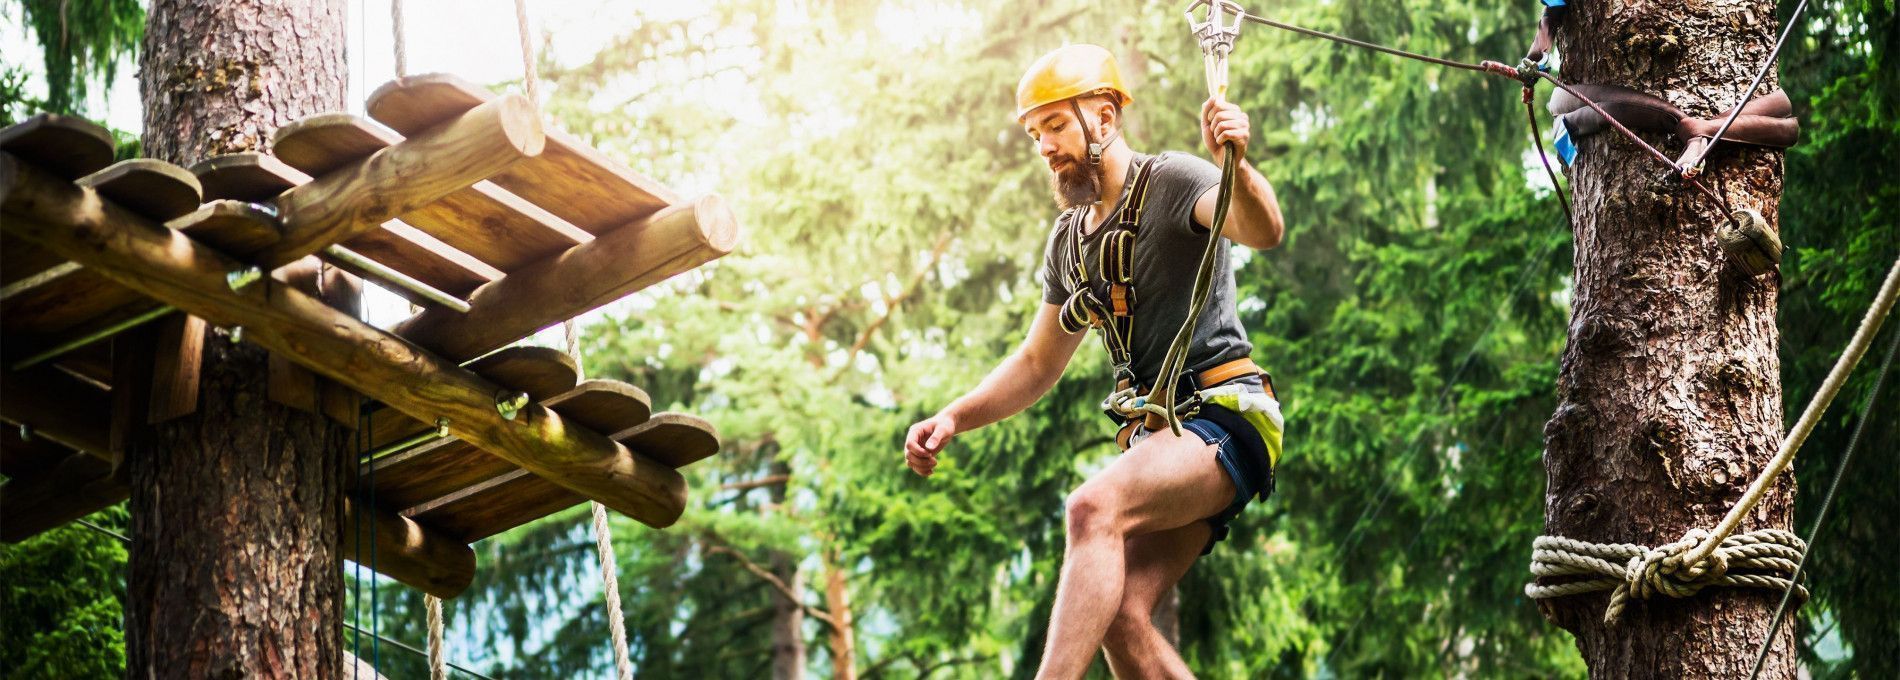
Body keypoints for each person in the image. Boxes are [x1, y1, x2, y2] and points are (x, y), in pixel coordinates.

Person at [902, 44, 1287, 678]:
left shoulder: (1176, 181)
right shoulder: (1069, 241)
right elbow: (1035, 364)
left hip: (1228, 413)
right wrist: (954, 417)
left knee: (1090, 509)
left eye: (1055, 125)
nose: (1044, 146)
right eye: (1035, 132)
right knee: (1119, 614)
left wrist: (1236, 166)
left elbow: (1261, 228)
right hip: (1166, 437)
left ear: (1104, 119)